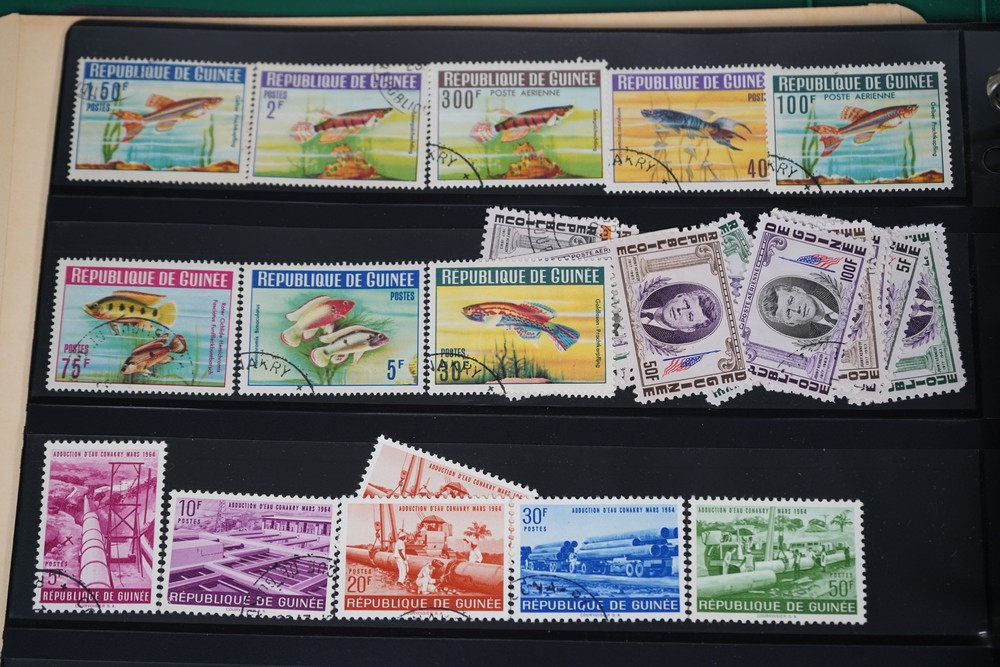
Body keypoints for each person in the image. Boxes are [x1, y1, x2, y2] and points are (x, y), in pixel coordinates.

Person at [758, 280, 841, 339]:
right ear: (791, 323)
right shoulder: (817, 337)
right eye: (788, 313)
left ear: (798, 290)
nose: (797, 309)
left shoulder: (831, 287)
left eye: (791, 300)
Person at [640, 288, 720, 342]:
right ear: (679, 296)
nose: (681, 311)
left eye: (690, 316)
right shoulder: (647, 294)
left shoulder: (660, 341)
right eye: (686, 303)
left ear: (688, 329)